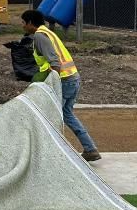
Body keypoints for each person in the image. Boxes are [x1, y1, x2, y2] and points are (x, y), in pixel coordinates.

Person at [21, 9, 101, 162]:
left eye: (24, 23)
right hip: (73, 77)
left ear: (31, 23)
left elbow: (54, 61)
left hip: (64, 80)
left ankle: (54, 156)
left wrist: (54, 83)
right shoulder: (47, 32)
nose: (23, 26)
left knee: (52, 116)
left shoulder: (40, 36)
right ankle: (90, 149)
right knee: (67, 114)